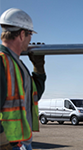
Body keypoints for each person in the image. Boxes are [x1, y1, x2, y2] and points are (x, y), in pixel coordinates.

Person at [0, 8, 46, 150]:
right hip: (7, 144)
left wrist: (38, 68)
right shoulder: (2, 62)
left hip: (21, 142)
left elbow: (33, 95)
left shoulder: (17, 65)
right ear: (21, 34)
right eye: (30, 34)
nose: (31, 39)